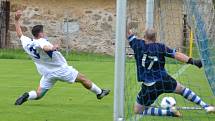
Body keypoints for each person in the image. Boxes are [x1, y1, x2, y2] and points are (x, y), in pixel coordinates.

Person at [14, 10, 110, 105]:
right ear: (40, 34)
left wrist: (16, 20)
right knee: (83, 79)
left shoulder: (28, 43)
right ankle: (100, 93)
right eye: (43, 32)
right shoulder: (41, 41)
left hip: (47, 73)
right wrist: (52, 47)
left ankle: (27, 95)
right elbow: (44, 47)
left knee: (39, 94)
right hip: (60, 70)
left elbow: (20, 34)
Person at [127, 28, 215, 117]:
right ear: (155, 38)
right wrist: (193, 61)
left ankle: (169, 113)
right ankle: (205, 106)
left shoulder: (137, 45)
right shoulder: (160, 47)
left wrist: (125, 24)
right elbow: (177, 55)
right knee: (182, 89)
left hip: (149, 86)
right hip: (164, 80)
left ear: (144, 36)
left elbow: (128, 33)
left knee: (138, 110)